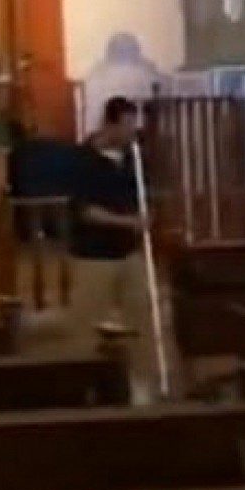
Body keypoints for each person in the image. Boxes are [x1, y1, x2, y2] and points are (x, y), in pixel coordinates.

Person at [67, 96, 161, 401]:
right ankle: (83, 390)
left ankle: (143, 386)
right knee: (87, 326)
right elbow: (86, 211)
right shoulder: (83, 160)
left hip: (129, 254)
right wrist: (127, 222)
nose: (133, 133)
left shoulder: (133, 159)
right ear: (111, 124)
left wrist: (145, 218)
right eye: (128, 126)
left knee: (141, 319)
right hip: (94, 257)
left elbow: (142, 199)